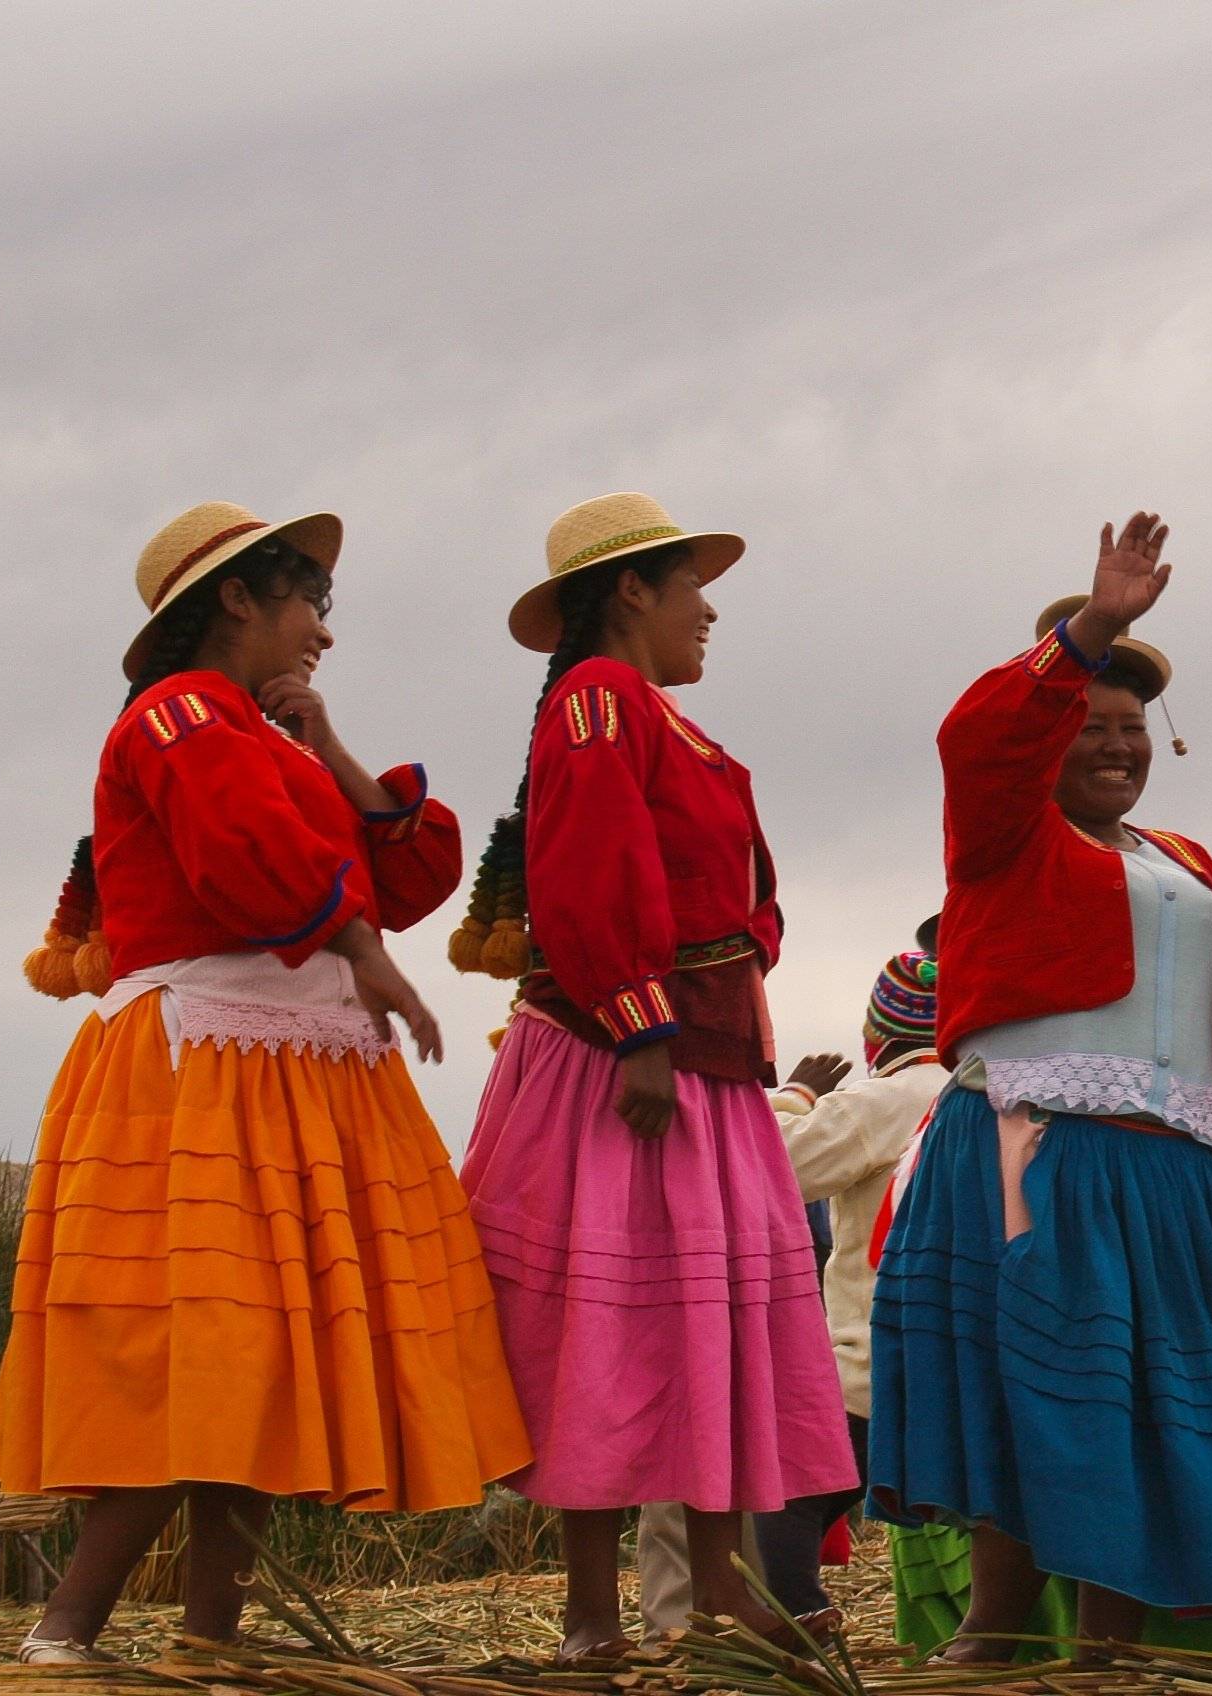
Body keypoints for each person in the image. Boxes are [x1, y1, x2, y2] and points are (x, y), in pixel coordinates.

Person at [0, 501, 529, 1663]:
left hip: (291, 1064)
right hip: (206, 1064)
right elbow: (241, 856)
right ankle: (64, 1631)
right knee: (209, 1351)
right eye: (306, 605)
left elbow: (412, 870)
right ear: (236, 599)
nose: (319, 631)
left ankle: (213, 1637)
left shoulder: (260, 732)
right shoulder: (177, 714)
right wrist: (368, 956)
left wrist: (327, 748)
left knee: (272, 1360)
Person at [867, 512, 1212, 1662]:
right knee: (1049, 1393)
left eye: (1131, 731)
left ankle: (1117, 1644)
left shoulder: (1185, 863)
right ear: (1047, 739)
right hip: (1032, 1146)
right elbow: (979, 740)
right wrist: (1092, 625)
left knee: (1142, 1405)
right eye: (1088, 727)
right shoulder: (1003, 835)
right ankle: (997, 1632)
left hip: (1173, 1171)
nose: (1114, 748)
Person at [453, 492, 856, 1663]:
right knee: (611, 1319)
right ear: (631, 589)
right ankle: (591, 1608)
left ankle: (715, 1582)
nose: (708, 609)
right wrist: (637, 1028)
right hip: (626, 1056)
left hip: (704, 1056)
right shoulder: (598, 700)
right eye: (692, 585)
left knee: (698, 1319)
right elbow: (587, 864)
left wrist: (740, 956)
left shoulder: (662, 722)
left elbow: (729, 886)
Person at [638, 937, 950, 1635]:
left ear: (880, 1032)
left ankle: (794, 1616)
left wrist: (797, 1098)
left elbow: (768, 1169)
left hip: (874, 1350)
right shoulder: (989, 1098)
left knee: (792, 1494)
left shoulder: (883, 1102)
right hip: (967, 1351)